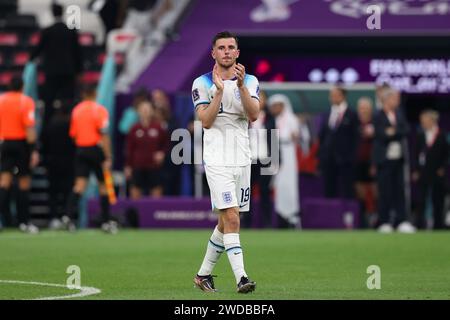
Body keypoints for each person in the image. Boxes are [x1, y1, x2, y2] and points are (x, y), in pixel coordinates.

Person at [192, 31, 259, 294]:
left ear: (238, 53)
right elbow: (206, 120)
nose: (227, 51)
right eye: (221, 48)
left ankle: (203, 275)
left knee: (226, 221)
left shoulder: (250, 81)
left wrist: (240, 86)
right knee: (231, 218)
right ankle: (241, 278)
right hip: (217, 159)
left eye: (231, 47)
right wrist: (219, 91)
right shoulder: (202, 82)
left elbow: (253, 115)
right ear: (213, 53)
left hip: (242, 158)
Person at [62, 84, 117, 234]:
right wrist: (107, 156)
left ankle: (67, 216)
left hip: (81, 150)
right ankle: (106, 221)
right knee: (103, 186)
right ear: (95, 94)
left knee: (79, 186)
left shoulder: (76, 111)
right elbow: (104, 135)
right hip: (96, 150)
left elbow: (73, 135)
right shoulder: (99, 110)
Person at [30, 3, 82, 130]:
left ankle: (46, 133)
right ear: (62, 13)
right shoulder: (71, 31)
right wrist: (79, 70)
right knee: (69, 101)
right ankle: (70, 130)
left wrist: (30, 59)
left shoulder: (47, 31)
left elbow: (37, 50)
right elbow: (78, 53)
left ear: (53, 13)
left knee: (49, 103)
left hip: (51, 72)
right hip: (68, 72)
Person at [373, 88, 416, 233]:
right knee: (384, 190)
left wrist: (392, 131)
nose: (396, 101)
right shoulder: (378, 115)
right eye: (394, 98)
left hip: (398, 159)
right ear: (386, 99)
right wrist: (393, 131)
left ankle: (402, 220)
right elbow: (380, 134)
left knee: (400, 190)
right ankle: (384, 221)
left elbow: (405, 130)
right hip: (384, 160)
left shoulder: (399, 113)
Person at [0, 76, 40, 233]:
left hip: (4, 144)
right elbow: (29, 129)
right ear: (22, 87)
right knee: (24, 183)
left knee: (4, 182)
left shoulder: (1, 100)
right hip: (20, 145)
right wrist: (33, 150)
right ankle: (24, 222)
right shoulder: (26, 101)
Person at [318, 85, 359, 199]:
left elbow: (355, 138)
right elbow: (322, 136)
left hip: (346, 159)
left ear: (343, 96)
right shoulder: (326, 114)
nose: (333, 98)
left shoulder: (352, 114)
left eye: (336, 95)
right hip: (329, 159)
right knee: (329, 188)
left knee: (347, 188)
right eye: (331, 96)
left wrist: (352, 156)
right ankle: (330, 214)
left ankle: (347, 215)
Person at [40, 102, 76, 229]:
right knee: (67, 191)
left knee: (53, 192)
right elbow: (74, 143)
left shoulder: (50, 124)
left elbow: (43, 144)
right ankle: (66, 216)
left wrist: (44, 161)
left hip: (52, 162)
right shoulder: (70, 125)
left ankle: (54, 218)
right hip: (68, 163)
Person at [268, 94, 300, 228]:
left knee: (289, 183)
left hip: (288, 151)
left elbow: (297, 136)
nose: (275, 108)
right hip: (274, 149)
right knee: (276, 184)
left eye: (278, 106)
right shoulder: (271, 120)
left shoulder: (292, 119)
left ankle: (291, 215)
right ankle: (279, 216)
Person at [125, 100, 168, 198]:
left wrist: (162, 153)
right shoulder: (134, 128)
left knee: (156, 194)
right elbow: (129, 148)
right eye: (143, 109)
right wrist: (128, 166)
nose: (145, 111)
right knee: (135, 194)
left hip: (154, 166)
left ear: (152, 111)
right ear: (138, 111)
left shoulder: (158, 128)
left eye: (147, 109)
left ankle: (155, 212)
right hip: (137, 166)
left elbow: (166, 144)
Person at [413, 110, 448, 230]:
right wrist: (416, 170)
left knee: (437, 199)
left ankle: (438, 225)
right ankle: (419, 224)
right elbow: (415, 154)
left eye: (425, 121)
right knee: (421, 199)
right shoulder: (420, 135)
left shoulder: (442, 135)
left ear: (433, 121)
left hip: (437, 172)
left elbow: (447, 155)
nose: (423, 123)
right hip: (423, 172)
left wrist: (443, 168)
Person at [246, 90, 276, 228]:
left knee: (265, 192)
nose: (259, 101)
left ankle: (267, 223)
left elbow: (274, 139)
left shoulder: (270, 118)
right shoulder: (245, 116)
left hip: (265, 159)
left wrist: (275, 160)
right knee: (247, 193)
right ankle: (247, 222)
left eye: (261, 98)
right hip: (249, 159)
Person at [355, 97, 377, 228]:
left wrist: (374, 162)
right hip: (358, 162)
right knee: (360, 191)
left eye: (366, 107)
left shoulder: (376, 122)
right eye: (361, 108)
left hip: (372, 161)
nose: (363, 110)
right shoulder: (354, 123)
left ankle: (376, 216)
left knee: (375, 191)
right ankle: (362, 219)